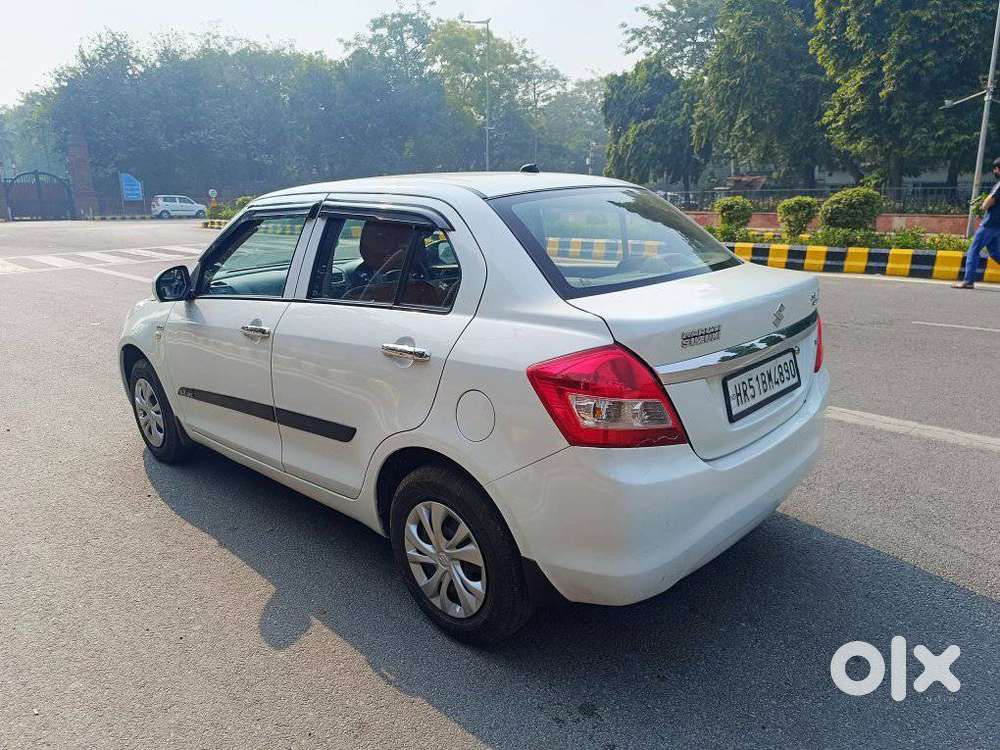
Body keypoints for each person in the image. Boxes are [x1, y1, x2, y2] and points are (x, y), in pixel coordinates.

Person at [953, 157, 1000, 289]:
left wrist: (983, 205)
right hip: (998, 225)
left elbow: (987, 203)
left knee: (973, 250)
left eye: (995, 169)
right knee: (996, 253)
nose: (994, 171)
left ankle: (968, 281)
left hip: (990, 223)